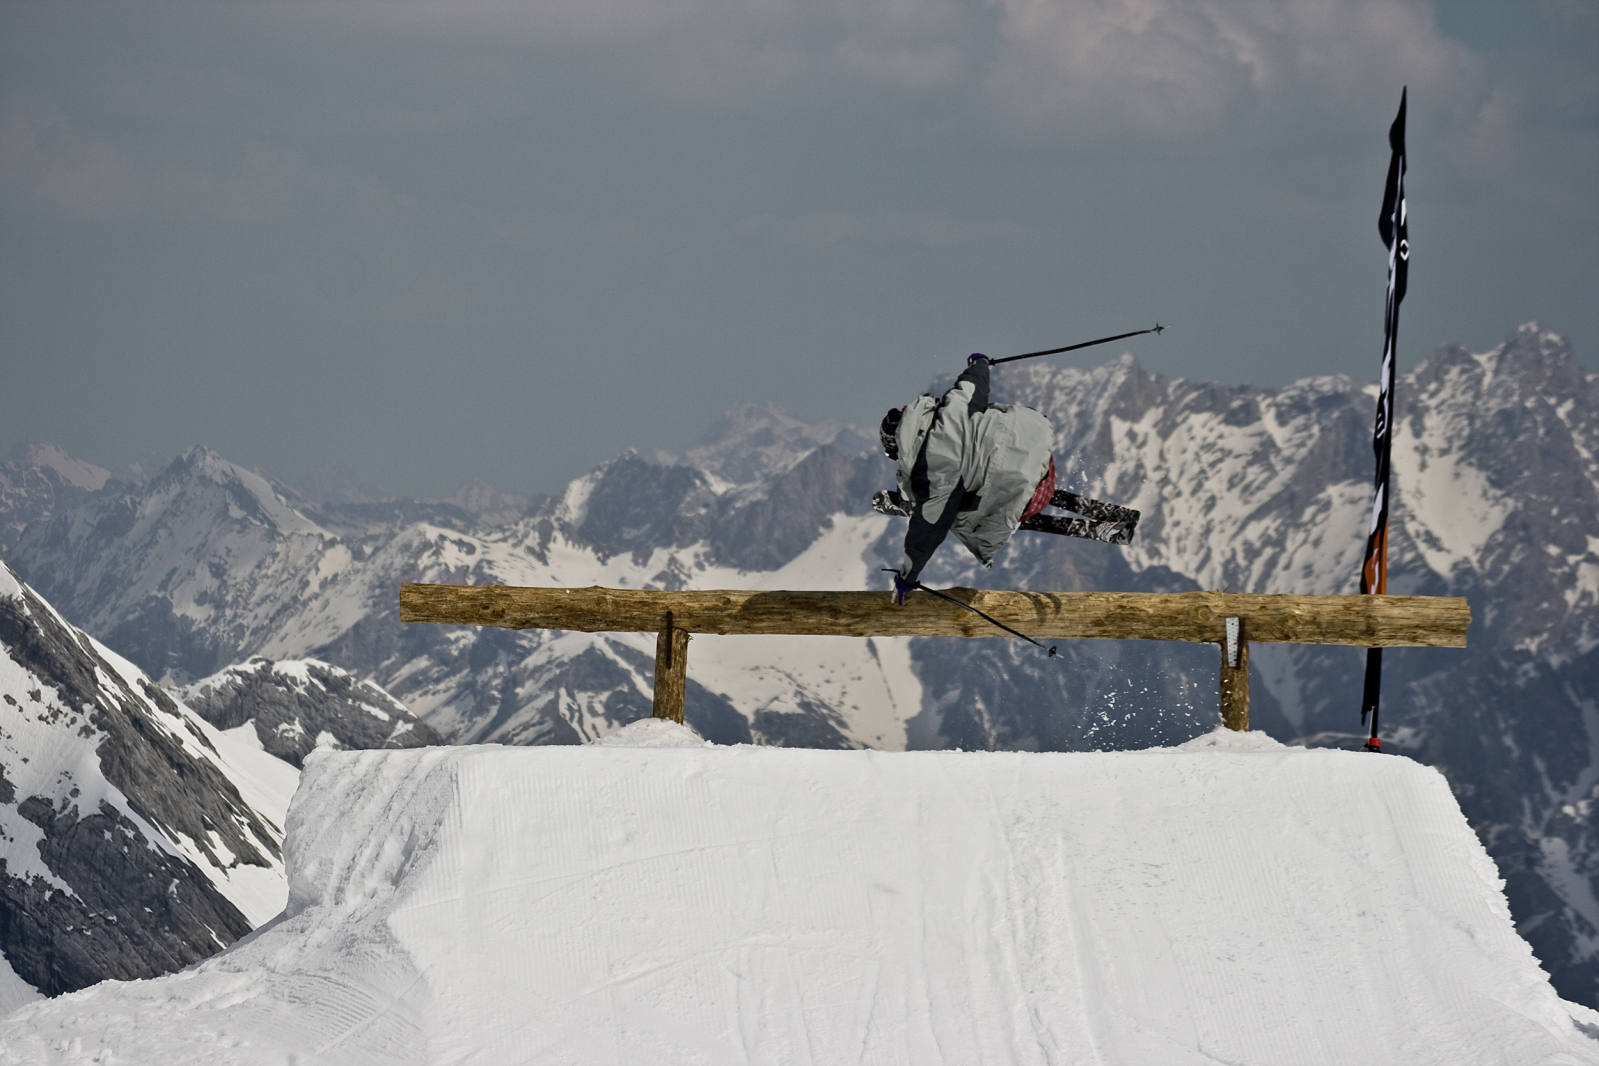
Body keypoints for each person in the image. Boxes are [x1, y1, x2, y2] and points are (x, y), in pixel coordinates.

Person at [875, 354, 1056, 605]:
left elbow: (927, 533)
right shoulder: (953, 405)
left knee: (950, 513)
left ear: (897, 448)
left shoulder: (931, 475)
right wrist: (980, 363)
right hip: (1040, 447)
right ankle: (926, 500)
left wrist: (907, 577)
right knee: (985, 427)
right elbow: (973, 382)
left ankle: (917, 504)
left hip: (1029, 496)